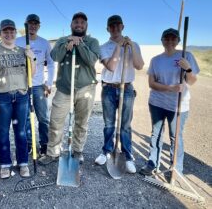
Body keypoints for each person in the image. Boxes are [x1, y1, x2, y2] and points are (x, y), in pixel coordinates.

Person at [38, 12, 100, 165]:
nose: (79, 25)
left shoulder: (92, 41)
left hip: (86, 88)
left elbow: (91, 60)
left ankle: (77, 151)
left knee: (81, 122)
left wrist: (80, 44)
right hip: (64, 88)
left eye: (82, 23)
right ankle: (52, 153)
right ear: (71, 25)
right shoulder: (61, 40)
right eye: (76, 22)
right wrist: (68, 46)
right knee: (56, 121)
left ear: (86, 26)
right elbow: (55, 57)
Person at [139, 28, 199, 176]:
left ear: (178, 41)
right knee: (156, 134)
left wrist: (188, 69)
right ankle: (152, 163)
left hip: (178, 105)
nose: (170, 41)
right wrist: (170, 88)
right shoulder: (156, 60)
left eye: (173, 38)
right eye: (167, 38)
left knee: (175, 136)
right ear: (162, 41)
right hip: (157, 103)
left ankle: (175, 169)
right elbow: (151, 84)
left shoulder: (186, 56)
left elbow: (192, 82)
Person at [0, 19, 36, 179]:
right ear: (0, 33)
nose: (9, 34)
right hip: (2, 97)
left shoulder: (23, 51)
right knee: (3, 131)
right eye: (5, 31)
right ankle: (5, 164)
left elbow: (31, 75)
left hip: (21, 96)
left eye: (11, 31)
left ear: (15, 33)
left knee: (21, 131)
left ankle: (23, 163)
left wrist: (32, 58)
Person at [94, 15, 144, 174]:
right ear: (108, 29)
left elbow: (139, 65)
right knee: (109, 123)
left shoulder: (133, 45)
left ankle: (128, 156)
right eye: (112, 26)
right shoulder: (103, 47)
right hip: (109, 88)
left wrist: (131, 48)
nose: (115, 28)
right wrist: (118, 47)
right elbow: (111, 66)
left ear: (122, 26)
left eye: (117, 26)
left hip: (127, 88)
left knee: (125, 125)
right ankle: (106, 151)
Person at [15, 14, 55, 157]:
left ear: (39, 26)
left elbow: (50, 64)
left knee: (43, 117)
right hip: (22, 86)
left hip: (38, 86)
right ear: (25, 25)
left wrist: (49, 83)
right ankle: (29, 145)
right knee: (25, 117)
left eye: (35, 24)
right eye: (29, 23)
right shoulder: (17, 41)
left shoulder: (44, 43)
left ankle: (44, 144)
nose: (32, 26)